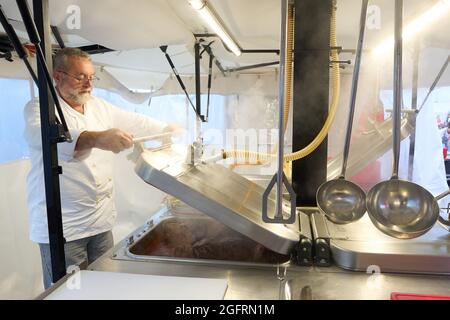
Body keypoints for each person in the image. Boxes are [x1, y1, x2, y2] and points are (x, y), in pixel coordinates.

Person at [24, 48, 178, 289]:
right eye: (80, 77)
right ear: (57, 76)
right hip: (65, 228)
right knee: (70, 292)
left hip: (100, 221)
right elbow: (41, 137)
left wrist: (167, 128)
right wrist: (97, 138)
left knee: (104, 288)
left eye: (91, 77)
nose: (88, 84)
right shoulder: (39, 108)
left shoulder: (98, 106)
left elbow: (134, 120)